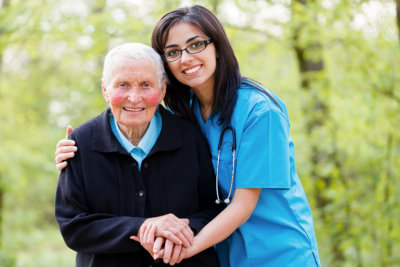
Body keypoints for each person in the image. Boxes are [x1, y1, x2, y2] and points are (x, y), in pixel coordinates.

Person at [56, 5, 321, 267]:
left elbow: (242, 205)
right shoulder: (186, 113)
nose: (186, 58)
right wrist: (80, 149)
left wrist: (180, 249)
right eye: (173, 52)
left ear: (217, 46)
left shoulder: (260, 112)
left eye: (196, 45)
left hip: (278, 251)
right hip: (226, 250)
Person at [54, 42, 224, 267]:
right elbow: (73, 226)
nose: (134, 98)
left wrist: (180, 231)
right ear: (105, 90)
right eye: (123, 85)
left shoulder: (190, 137)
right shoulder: (80, 144)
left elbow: (215, 209)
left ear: (162, 89)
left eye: (146, 85)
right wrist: (143, 227)